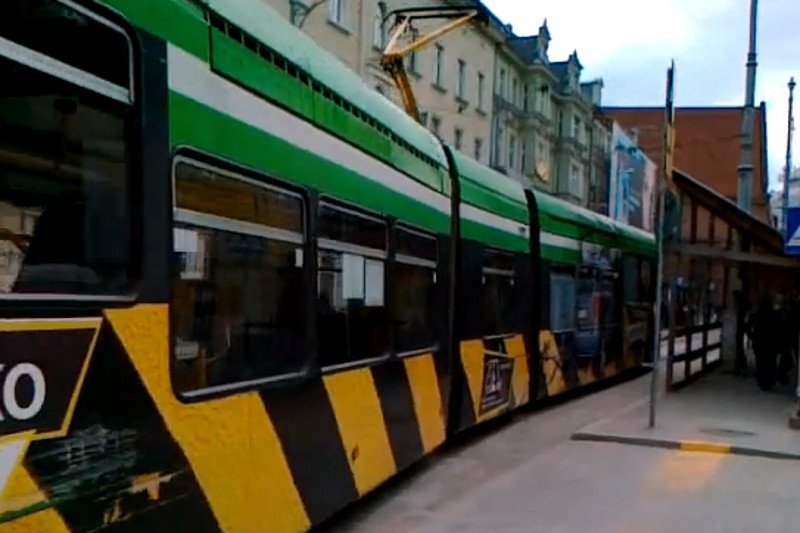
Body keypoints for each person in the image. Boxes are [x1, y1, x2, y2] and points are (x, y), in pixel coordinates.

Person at [746, 295, 779, 391]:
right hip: (771, 343)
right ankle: (769, 380)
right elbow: (779, 329)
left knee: (761, 362)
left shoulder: (756, 315)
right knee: (770, 362)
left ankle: (762, 381)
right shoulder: (774, 316)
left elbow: (747, 327)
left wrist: (752, 337)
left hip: (759, 342)